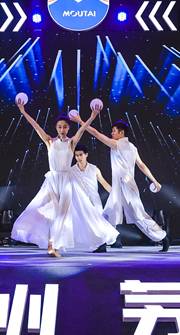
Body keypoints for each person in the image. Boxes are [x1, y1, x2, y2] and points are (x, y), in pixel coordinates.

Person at [12, 100, 119, 257]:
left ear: (68, 128)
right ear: (56, 128)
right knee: (45, 209)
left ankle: (52, 246)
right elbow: (36, 127)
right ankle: (50, 243)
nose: (62, 130)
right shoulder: (50, 141)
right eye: (59, 127)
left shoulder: (71, 142)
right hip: (52, 180)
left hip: (67, 182)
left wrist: (92, 116)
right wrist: (23, 112)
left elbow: (82, 129)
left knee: (63, 214)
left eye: (65, 127)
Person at [82, 119, 170, 252]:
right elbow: (141, 165)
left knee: (138, 215)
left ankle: (163, 237)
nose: (111, 133)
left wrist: (80, 121)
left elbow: (96, 134)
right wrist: (154, 181)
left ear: (121, 132)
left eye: (114, 131)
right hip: (120, 187)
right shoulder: (132, 147)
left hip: (126, 187)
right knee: (107, 214)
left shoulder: (118, 144)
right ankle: (103, 244)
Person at [70, 144, 111, 215]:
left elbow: (104, 183)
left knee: (99, 221)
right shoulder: (71, 171)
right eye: (77, 155)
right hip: (80, 203)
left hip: (95, 202)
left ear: (86, 155)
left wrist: (114, 194)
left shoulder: (94, 169)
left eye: (81, 155)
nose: (79, 157)